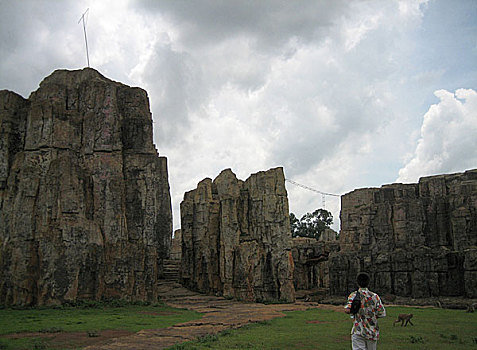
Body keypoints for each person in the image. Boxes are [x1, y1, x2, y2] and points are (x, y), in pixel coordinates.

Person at [344, 272, 386, 350]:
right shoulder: (375, 296)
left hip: (358, 329)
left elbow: (347, 310)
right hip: (372, 331)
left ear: (357, 282)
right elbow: (382, 313)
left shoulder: (353, 295)